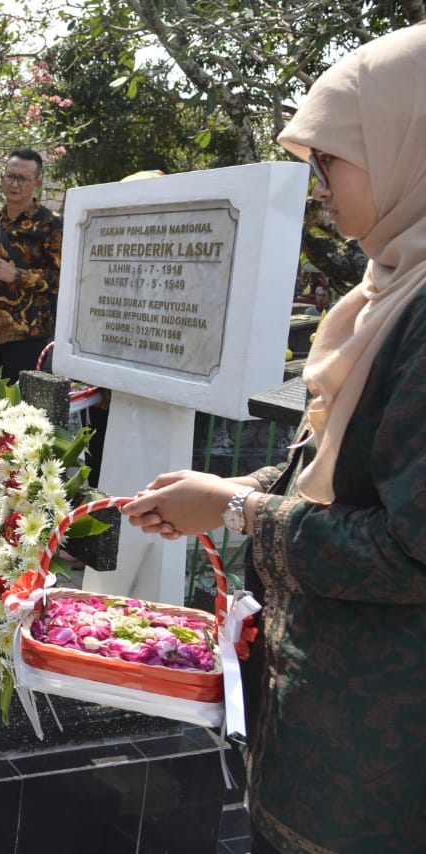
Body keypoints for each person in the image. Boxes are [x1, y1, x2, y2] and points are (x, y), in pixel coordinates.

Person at [121, 25, 426, 854]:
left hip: (375, 768)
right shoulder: (389, 286)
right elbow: (340, 473)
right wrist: (231, 495)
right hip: (323, 725)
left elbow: (410, 550)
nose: (319, 185)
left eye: (333, 158)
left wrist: (239, 507)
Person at [0, 148, 63, 399]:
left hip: (29, 335)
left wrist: (17, 275)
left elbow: (61, 279)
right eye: (10, 176)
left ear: (37, 184)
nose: (14, 183)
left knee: (19, 415)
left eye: (22, 178)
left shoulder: (51, 224)